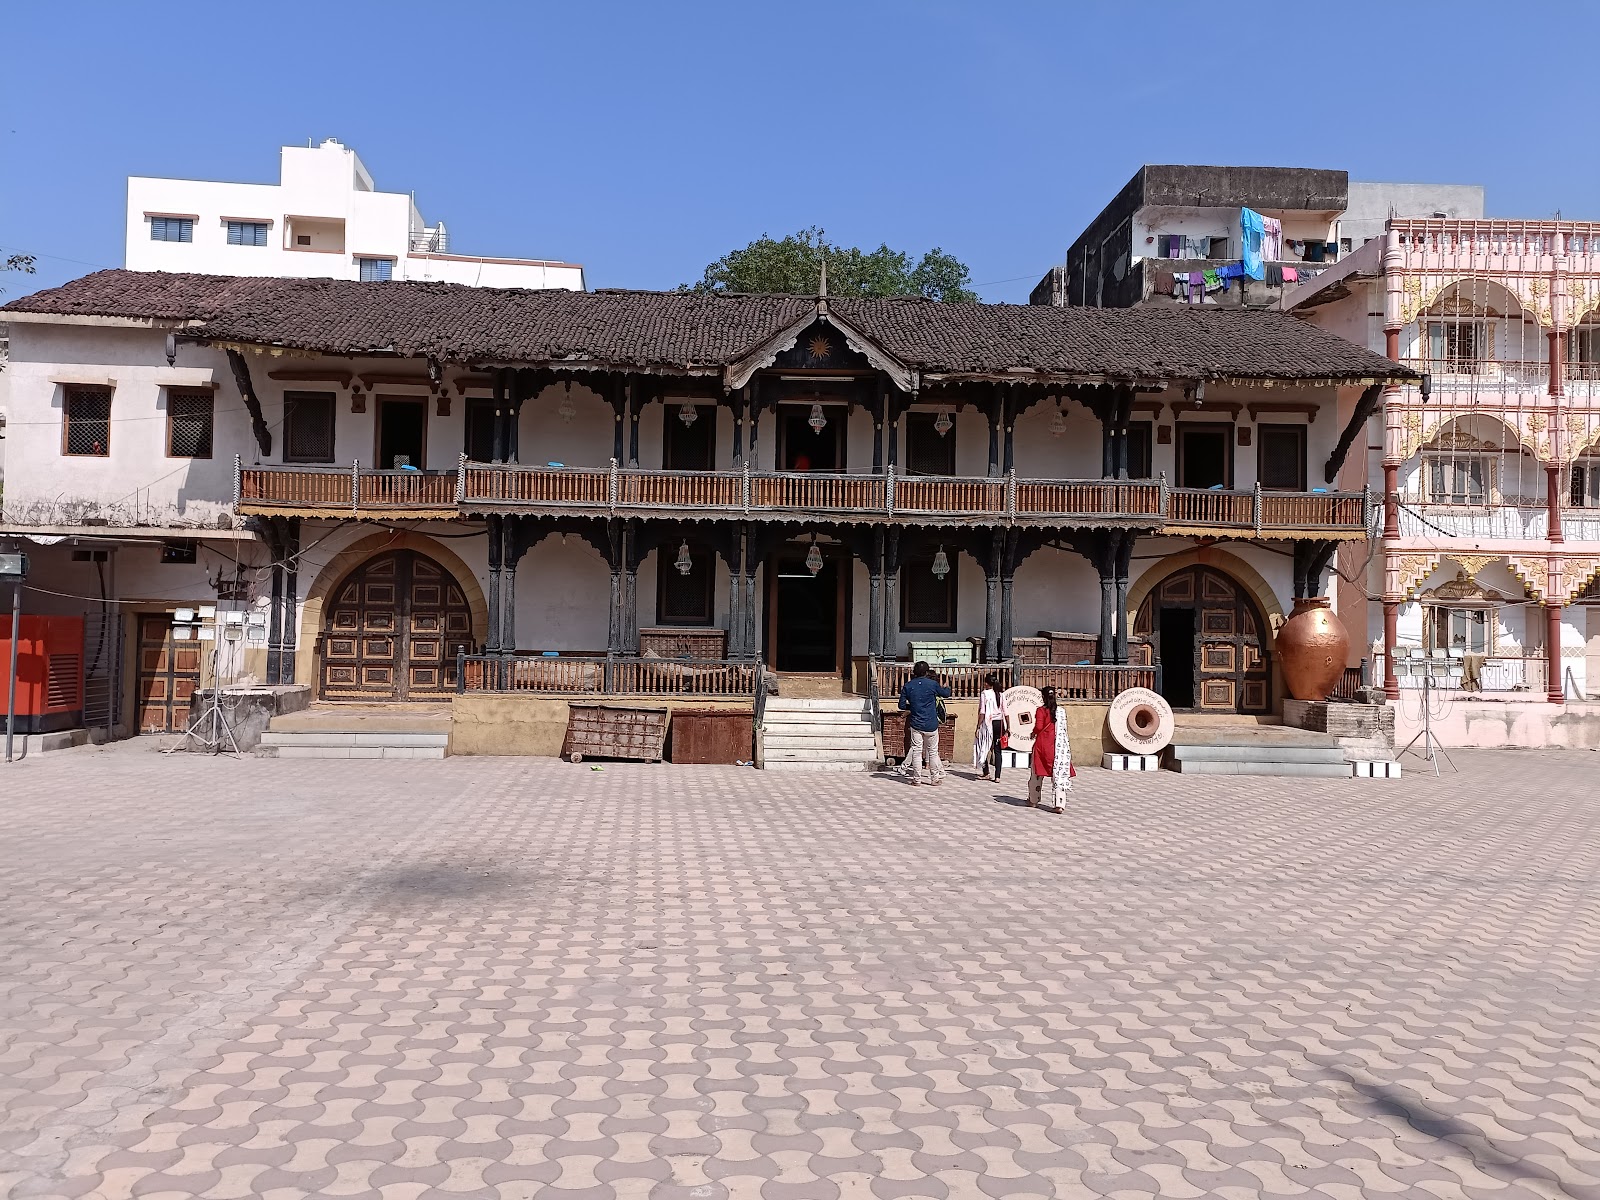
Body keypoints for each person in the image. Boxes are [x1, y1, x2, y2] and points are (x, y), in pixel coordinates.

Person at [897, 660, 951, 785]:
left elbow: (901, 705)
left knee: (916, 751)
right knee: (932, 752)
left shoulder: (908, 686)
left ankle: (916, 779)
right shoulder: (932, 684)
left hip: (916, 723)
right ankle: (935, 779)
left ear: (914, 672)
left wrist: (913, 706)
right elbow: (945, 694)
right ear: (926, 672)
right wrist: (947, 686)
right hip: (931, 723)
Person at [1028, 686, 1074, 813]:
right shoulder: (1061, 711)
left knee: (1037, 773)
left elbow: (1039, 726)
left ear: (1043, 697)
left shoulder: (1041, 711)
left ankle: (1033, 800)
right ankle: (1059, 804)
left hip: (1043, 745)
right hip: (1059, 747)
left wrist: (1033, 733)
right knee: (1058, 774)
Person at [974, 672, 1006, 782]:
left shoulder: (985, 694)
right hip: (1000, 723)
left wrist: (978, 726)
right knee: (997, 750)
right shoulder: (1001, 694)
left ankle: (986, 772)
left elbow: (982, 712)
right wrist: (1009, 727)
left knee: (983, 746)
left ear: (987, 684)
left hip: (988, 723)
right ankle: (998, 776)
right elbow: (1006, 713)